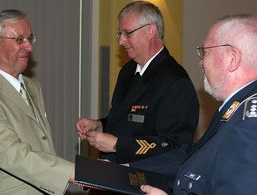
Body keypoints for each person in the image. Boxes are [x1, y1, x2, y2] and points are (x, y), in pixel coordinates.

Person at [134, 13, 257, 194]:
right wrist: (127, 167)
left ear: (232, 58)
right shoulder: (236, 108)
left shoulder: (248, 127)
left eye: (205, 52)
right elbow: (194, 155)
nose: (201, 62)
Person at [76, 1, 199, 164]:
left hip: (145, 183)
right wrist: (100, 125)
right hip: (115, 176)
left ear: (150, 30)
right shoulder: (128, 71)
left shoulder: (175, 81)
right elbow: (125, 120)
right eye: (119, 34)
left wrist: (118, 145)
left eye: (127, 33)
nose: (121, 41)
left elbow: (175, 147)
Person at [0, 9, 75, 195]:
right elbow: (10, 153)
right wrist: (74, 172)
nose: (30, 47)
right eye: (19, 40)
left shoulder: (33, 87)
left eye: (30, 39)